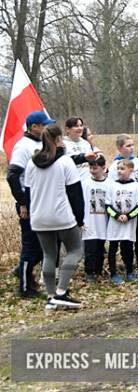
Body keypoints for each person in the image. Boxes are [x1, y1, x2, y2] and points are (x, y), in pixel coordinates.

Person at [23, 123, 85, 309]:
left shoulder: (31, 162)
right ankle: (61, 292)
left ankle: (50, 297)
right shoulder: (65, 162)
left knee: (49, 254)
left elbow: (27, 193)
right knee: (75, 250)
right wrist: (79, 219)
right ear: (59, 139)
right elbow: (75, 194)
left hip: (39, 216)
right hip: (61, 214)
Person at [8, 111, 55, 298]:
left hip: (42, 200)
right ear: (34, 126)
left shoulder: (41, 143)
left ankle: (23, 270)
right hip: (29, 203)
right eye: (44, 125)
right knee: (31, 245)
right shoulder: (23, 146)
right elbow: (13, 176)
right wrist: (22, 203)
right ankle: (24, 287)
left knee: (47, 244)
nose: (46, 128)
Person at [108, 133, 138, 268]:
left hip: (137, 203)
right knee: (125, 235)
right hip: (123, 205)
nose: (132, 148)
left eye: (132, 145)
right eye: (128, 146)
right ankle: (125, 260)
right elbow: (113, 187)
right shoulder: (115, 165)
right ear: (120, 148)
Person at [106, 159, 138, 284]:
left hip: (129, 223)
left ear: (131, 171)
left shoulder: (136, 187)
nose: (119, 171)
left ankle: (129, 272)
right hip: (115, 223)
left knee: (127, 247)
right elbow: (107, 205)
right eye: (118, 169)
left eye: (122, 169)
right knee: (113, 247)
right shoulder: (112, 186)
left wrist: (128, 216)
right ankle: (113, 273)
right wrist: (117, 216)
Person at [82, 156, 110, 284]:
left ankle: (99, 270)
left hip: (103, 221)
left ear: (103, 168)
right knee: (90, 249)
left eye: (95, 168)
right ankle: (89, 272)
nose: (93, 171)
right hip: (90, 221)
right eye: (91, 168)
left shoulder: (109, 185)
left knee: (100, 248)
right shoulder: (85, 184)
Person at [63, 116, 100, 181]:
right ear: (68, 129)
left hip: (87, 182)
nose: (80, 128)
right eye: (76, 126)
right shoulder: (64, 144)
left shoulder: (86, 144)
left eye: (81, 125)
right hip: (72, 181)